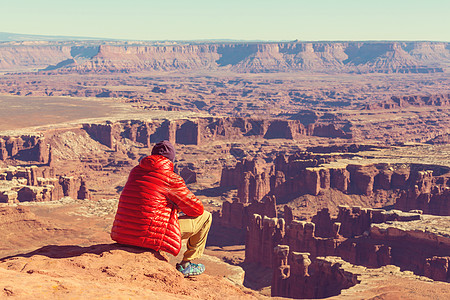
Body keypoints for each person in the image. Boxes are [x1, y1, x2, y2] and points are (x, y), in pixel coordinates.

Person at [111, 140, 212, 277]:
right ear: (171, 160)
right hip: (148, 238)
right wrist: (175, 206)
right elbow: (197, 210)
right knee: (206, 216)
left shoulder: (135, 171)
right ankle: (186, 264)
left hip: (123, 235)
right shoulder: (171, 178)